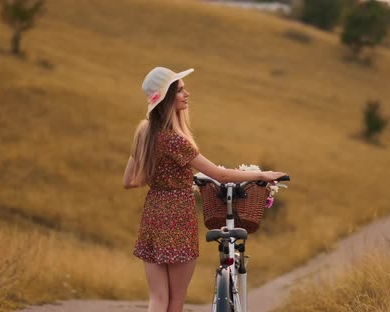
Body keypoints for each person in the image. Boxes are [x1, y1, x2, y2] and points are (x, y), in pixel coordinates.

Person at [122, 67, 287, 312]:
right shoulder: (175, 140)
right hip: (178, 215)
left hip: (153, 215)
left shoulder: (145, 133)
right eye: (179, 90)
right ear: (167, 97)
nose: (186, 94)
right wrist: (261, 174)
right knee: (175, 300)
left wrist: (163, 177)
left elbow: (130, 181)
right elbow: (218, 175)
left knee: (157, 298)